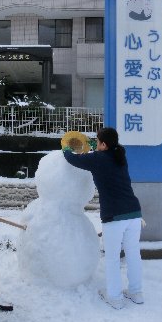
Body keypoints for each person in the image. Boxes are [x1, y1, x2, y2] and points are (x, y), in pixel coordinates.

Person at [62, 127, 143, 310]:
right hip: (134, 213)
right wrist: (94, 146)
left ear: (104, 145)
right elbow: (101, 154)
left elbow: (73, 158)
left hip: (114, 216)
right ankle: (136, 292)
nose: (95, 144)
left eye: (97, 141)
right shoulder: (119, 156)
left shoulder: (98, 159)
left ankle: (114, 297)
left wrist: (66, 148)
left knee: (112, 257)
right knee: (133, 254)